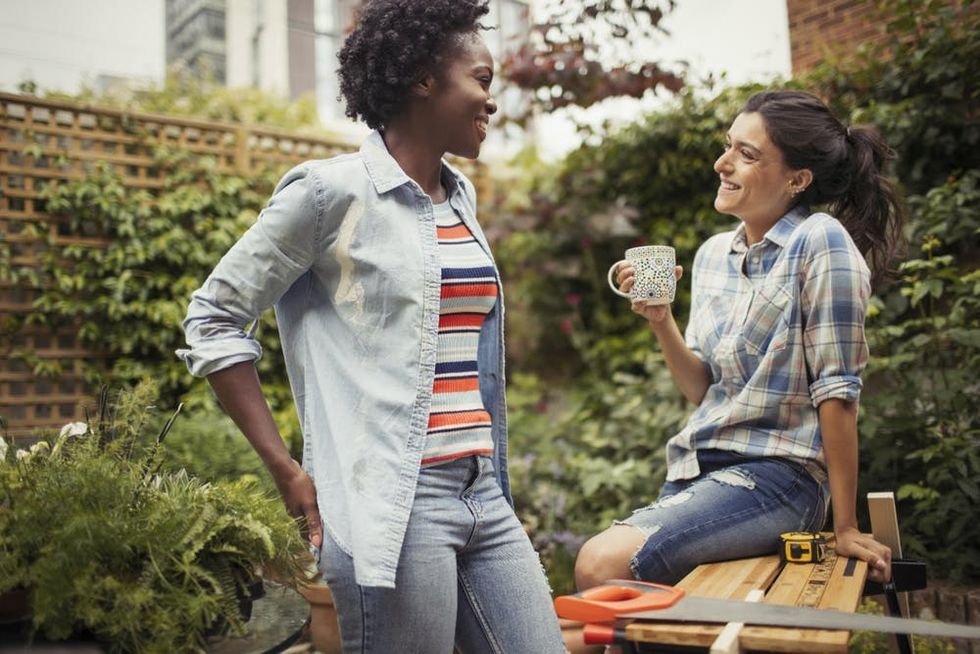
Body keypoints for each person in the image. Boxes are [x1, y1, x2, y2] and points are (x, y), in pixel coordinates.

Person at [177, 1, 565, 651]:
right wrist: (285, 468)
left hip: (483, 493)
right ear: (422, 80)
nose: (490, 101)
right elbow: (213, 316)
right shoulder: (329, 194)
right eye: (481, 78)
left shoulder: (458, 194)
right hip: (395, 504)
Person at [576, 90, 904, 594]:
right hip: (697, 471)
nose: (721, 163)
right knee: (637, 627)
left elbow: (838, 393)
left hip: (780, 479)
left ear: (797, 180)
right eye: (728, 145)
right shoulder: (713, 255)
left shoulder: (820, 241)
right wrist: (661, 319)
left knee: (600, 565)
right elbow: (701, 387)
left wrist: (844, 526)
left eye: (747, 154)